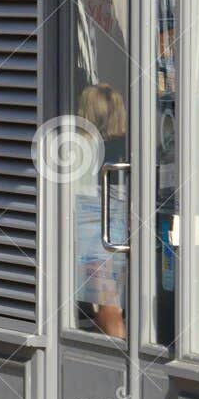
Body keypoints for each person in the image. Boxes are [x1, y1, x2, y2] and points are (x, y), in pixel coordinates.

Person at [73, 84, 129, 339]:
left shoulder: (75, 147)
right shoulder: (128, 145)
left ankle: (126, 366)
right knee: (110, 302)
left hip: (89, 233)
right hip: (116, 229)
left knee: (108, 304)